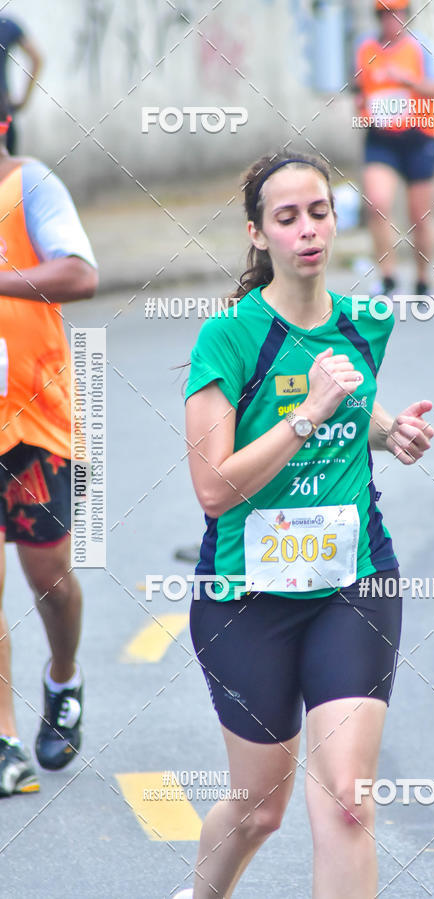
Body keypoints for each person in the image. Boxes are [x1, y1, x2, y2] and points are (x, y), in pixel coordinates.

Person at [182, 149, 434, 898]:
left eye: (319, 212)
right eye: (286, 217)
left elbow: (354, 413)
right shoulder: (227, 336)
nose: (307, 230)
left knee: (350, 802)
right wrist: (306, 415)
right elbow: (212, 486)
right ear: (257, 234)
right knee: (261, 808)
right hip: (245, 598)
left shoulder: (366, 323)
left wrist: (392, 432)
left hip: (352, 584)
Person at [0, 94, 98, 797]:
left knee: (49, 580)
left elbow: (80, 274)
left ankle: (63, 675)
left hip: (33, 427)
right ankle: (4, 739)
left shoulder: (29, 186)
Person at [355, 0, 434, 297]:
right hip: (381, 139)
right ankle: (387, 276)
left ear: (407, 16)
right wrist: (361, 105)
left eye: (397, 14)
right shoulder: (365, 49)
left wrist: (411, 82)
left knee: (419, 217)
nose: (392, 21)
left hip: (418, 138)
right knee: (377, 204)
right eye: (385, 15)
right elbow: (359, 90)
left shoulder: (421, 47)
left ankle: (422, 279)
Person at [0, 15, 43, 154]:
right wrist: (24, 100)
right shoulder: (7, 24)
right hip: (3, 114)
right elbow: (37, 59)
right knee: (7, 172)